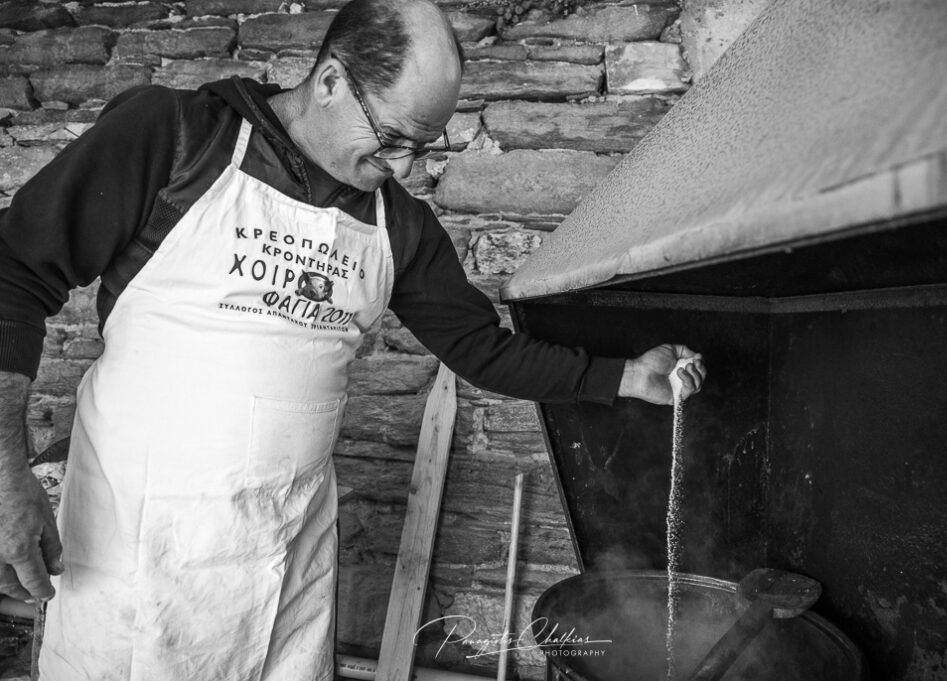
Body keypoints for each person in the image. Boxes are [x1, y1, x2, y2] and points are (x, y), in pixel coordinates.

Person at [0, 0, 707, 678]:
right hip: (136, 547)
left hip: (287, 548)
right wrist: (6, 475)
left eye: (422, 147)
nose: (403, 167)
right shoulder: (180, 139)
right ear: (332, 80)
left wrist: (624, 376)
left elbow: (480, 348)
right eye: (393, 138)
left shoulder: (398, 226)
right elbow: (15, 275)